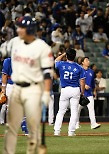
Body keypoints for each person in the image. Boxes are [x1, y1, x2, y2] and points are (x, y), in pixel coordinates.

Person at [3, 16, 54, 154]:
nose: (18, 29)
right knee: (11, 127)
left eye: (21, 27)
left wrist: (45, 93)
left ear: (29, 29)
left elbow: (47, 73)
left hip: (33, 89)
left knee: (33, 127)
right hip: (16, 88)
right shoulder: (14, 43)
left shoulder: (42, 47)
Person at [54, 49, 85, 136]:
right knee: (74, 111)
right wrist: (82, 92)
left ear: (66, 56)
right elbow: (82, 81)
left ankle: (57, 131)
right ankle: (71, 132)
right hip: (75, 89)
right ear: (75, 57)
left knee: (61, 111)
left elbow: (56, 60)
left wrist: (63, 54)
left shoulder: (61, 64)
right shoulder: (79, 67)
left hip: (65, 89)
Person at [1, 57, 29, 135]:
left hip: (11, 86)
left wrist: (3, 88)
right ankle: (24, 125)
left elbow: (4, 75)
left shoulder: (8, 61)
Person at [76, 57, 101, 129]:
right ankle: (76, 123)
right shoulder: (79, 70)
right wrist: (83, 86)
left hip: (89, 93)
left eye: (88, 60)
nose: (88, 61)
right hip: (80, 94)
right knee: (77, 110)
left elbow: (93, 83)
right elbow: (76, 80)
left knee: (91, 109)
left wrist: (94, 90)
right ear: (83, 63)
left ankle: (93, 124)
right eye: (86, 60)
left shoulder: (91, 72)